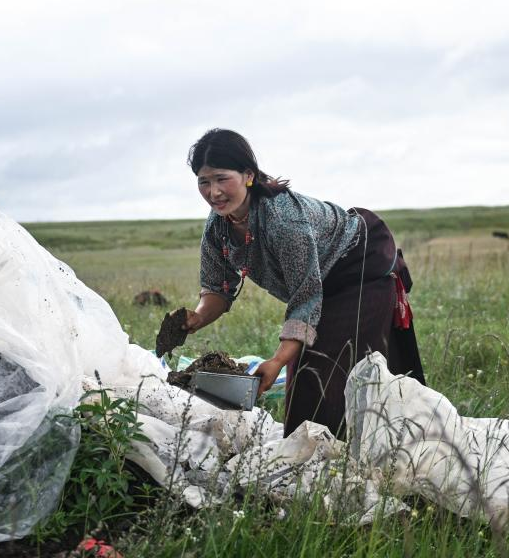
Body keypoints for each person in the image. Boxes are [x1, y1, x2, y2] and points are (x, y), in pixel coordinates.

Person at [179, 128, 426, 439]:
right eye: (204, 181)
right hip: (322, 282)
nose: (213, 192)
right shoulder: (219, 226)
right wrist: (197, 317)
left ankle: (336, 457)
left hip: (358, 268)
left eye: (221, 178)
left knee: (321, 375)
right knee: (310, 377)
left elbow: (305, 295)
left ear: (248, 176)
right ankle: (320, 457)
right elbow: (217, 288)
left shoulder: (283, 220)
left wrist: (279, 360)